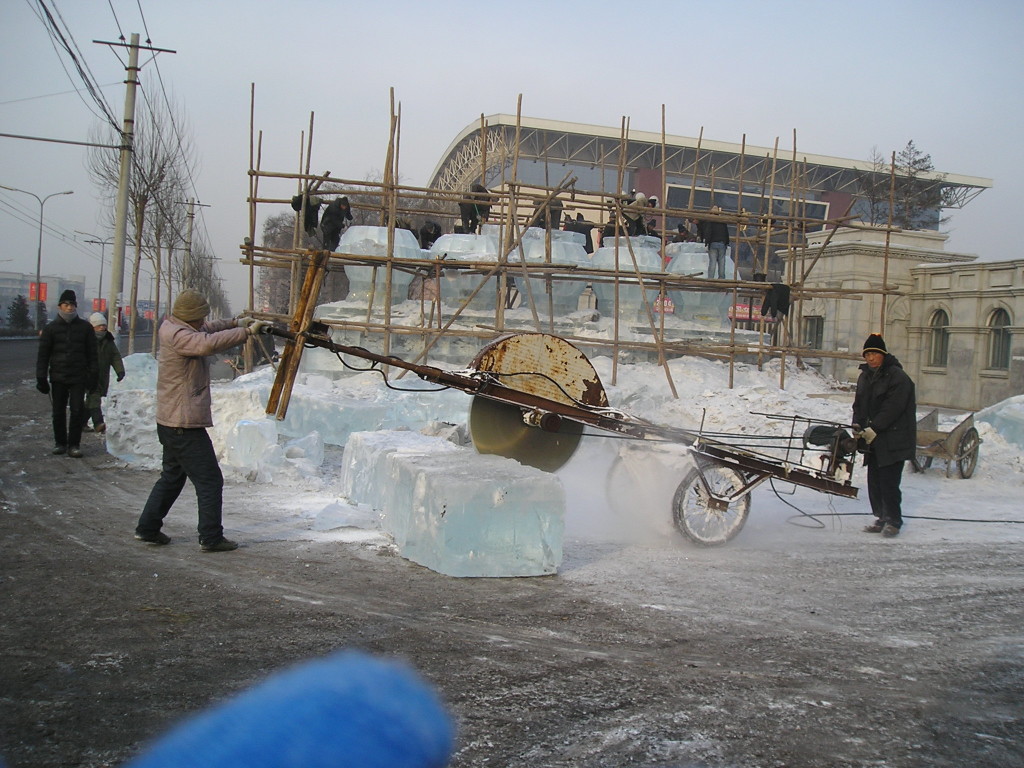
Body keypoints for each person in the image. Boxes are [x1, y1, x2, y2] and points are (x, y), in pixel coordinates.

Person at [134, 290, 269, 552]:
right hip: (183, 423)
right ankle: (210, 537)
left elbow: (209, 328)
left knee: (172, 477)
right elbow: (206, 343)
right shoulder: (179, 336)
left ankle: (148, 528)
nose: (203, 322)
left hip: (171, 421)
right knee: (210, 480)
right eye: (201, 318)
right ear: (191, 318)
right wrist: (246, 333)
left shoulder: (176, 325)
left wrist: (235, 323)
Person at [852, 333, 917, 538]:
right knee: (875, 480)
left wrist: (875, 428)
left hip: (893, 438)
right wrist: (857, 424)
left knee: (889, 481)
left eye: (874, 354)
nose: (870, 358)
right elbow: (859, 403)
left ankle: (894, 521)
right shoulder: (865, 376)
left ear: (883, 354)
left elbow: (893, 408)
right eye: (867, 354)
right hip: (874, 439)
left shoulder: (897, 377)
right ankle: (881, 517)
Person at [36, 289, 98, 458]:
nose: (69, 308)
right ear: (59, 306)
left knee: (77, 411)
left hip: (78, 376)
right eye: (66, 304)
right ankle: (60, 443)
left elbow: (93, 354)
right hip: (58, 376)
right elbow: (43, 355)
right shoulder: (51, 329)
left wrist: (93, 375)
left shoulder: (85, 328)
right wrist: (41, 377)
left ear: (75, 307)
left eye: (72, 305)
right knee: (58, 411)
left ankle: (74, 445)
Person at [82, 312, 125, 434]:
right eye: (99, 325)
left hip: (102, 376)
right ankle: (98, 423)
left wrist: (120, 371)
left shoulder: (108, 340)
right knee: (94, 397)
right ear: (93, 327)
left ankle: (81, 423)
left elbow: (115, 356)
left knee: (91, 400)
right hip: (89, 375)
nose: (102, 328)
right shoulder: (86, 340)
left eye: (104, 325)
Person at [698, 205, 730, 278]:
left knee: (712, 262)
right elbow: (726, 232)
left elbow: (708, 232)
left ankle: (711, 278)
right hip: (722, 243)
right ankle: (721, 278)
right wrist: (727, 242)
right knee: (722, 262)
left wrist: (706, 242)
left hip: (713, 243)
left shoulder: (710, 221)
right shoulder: (722, 221)